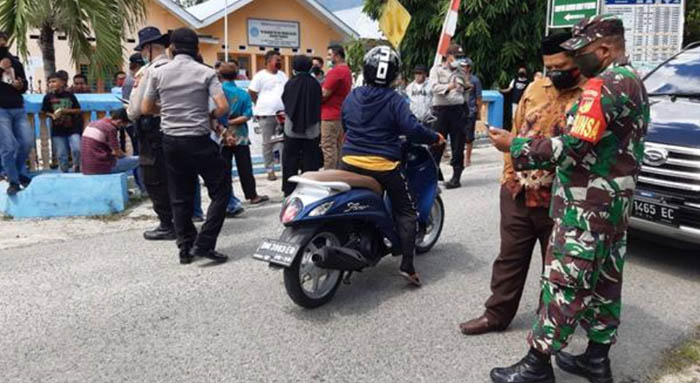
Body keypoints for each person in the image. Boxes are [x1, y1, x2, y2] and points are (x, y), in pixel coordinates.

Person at [488, 16, 649, 382]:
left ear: (605, 49)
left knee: (563, 282)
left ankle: (536, 364)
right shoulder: (634, 81)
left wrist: (513, 145)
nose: (577, 60)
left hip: (586, 206)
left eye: (582, 52)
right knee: (605, 284)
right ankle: (596, 360)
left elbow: (573, 146)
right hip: (614, 205)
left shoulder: (603, 86)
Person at [458, 32, 586, 337]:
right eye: (549, 66)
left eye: (562, 65)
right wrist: (508, 176)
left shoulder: (590, 95)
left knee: (556, 266)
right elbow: (513, 136)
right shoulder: (534, 88)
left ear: (578, 61)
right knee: (509, 259)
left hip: (559, 197)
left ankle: (550, 325)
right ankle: (496, 316)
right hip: (518, 192)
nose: (555, 73)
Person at [341, 46, 445, 286]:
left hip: (347, 163)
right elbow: (412, 129)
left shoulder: (353, 96)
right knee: (407, 211)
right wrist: (434, 137)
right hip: (383, 166)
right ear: (393, 74)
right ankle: (408, 266)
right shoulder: (395, 100)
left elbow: (346, 123)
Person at [142, 27, 231, 265]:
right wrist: (208, 113)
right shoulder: (205, 72)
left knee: (179, 197)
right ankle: (205, 243)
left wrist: (169, 110)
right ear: (197, 49)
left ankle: (185, 249)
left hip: (170, 141)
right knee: (221, 190)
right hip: (199, 140)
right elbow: (223, 107)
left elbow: (145, 108)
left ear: (171, 48)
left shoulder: (158, 72)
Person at [128, 26, 175, 241]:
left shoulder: (151, 71)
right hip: (174, 128)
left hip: (153, 129)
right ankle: (180, 220)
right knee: (174, 176)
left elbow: (137, 108)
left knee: (154, 177)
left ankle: (167, 224)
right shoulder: (175, 67)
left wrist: (129, 111)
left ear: (148, 48)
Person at [217, 62, 270, 205]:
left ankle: (226, 198)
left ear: (220, 76)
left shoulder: (217, 92)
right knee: (245, 167)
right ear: (236, 76)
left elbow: (213, 114)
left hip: (221, 135)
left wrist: (225, 124)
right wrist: (233, 122)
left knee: (223, 169)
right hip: (240, 135)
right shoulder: (242, 93)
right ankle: (252, 195)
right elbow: (247, 115)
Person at [429, 43, 472, 189]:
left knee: (458, 143)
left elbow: (464, 91)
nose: (459, 60)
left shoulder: (461, 72)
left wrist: (466, 88)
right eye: (456, 56)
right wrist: (449, 87)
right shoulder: (437, 69)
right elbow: (433, 87)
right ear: (448, 56)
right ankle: (432, 176)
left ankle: (456, 177)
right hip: (441, 111)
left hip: (458, 110)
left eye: (461, 57)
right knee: (437, 143)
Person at [281, 55, 323, 196]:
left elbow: (285, 100)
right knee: (311, 159)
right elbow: (319, 102)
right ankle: (310, 188)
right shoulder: (315, 84)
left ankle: (289, 189)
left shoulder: (290, 83)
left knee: (290, 158)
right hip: (312, 128)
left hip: (291, 127)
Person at [0, 31, 32, 196]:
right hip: (1, 110)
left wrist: (21, 85)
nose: (2, 43)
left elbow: (25, 84)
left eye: (4, 40)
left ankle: (17, 172)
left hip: (18, 107)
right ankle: (13, 181)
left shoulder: (15, 62)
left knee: (27, 142)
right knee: (8, 146)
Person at [248, 50, 287, 181]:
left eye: (280, 60)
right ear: (268, 62)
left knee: (282, 142)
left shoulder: (283, 75)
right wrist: (259, 103)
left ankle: (284, 168)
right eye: (277, 60)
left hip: (282, 115)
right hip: (266, 114)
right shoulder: (260, 76)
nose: (279, 62)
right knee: (268, 143)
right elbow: (252, 92)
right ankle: (270, 170)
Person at [42, 72, 82, 173]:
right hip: (57, 130)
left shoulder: (70, 95)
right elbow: (44, 112)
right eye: (49, 82)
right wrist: (52, 115)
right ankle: (64, 172)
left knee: (77, 149)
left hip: (73, 128)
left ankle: (77, 166)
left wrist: (65, 111)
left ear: (62, 83)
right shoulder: (48, 97)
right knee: (61, 154)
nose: (51, 84)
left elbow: (78, 110)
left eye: (54, 81)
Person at [320, 44, 352, 170]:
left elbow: (324, 94)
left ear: (337, 56)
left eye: (329, 55)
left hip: (329, 116)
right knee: (338, 148)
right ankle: (338, 175)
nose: (328, 58)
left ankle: (329, 177)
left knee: (328, 148)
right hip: (340, 114)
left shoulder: (336, 72)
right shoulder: (347, 71)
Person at [81, 108, 139, 175]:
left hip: (86, 167)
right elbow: (117, 152)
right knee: (141, 160)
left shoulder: (93, 123)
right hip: (102, 167)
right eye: (124, 125)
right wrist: (126, 156)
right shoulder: (110, 129)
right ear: (120, 122)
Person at [461, 57, 482, 167]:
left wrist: (478, 112)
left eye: (466, 66)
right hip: (459, 111)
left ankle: (467, 158)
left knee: (469, 137)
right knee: (459, 136)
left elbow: (478, 97)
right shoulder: (457, 79)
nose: (464, 69)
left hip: (470, 110)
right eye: (462, 66)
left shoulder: (475, 80)